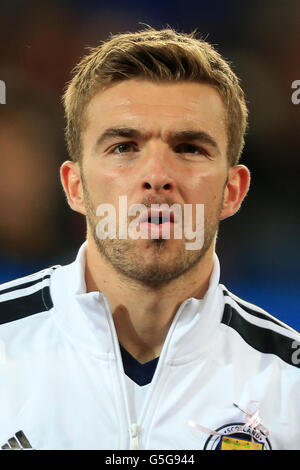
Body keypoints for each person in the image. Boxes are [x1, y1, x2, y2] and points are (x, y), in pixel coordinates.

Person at [0, 27, 299, 451]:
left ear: (233, 191)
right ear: (75, 187)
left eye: (190, 148)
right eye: (124, 147)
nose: (157, 177)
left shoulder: (291, 386)